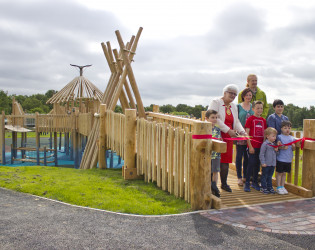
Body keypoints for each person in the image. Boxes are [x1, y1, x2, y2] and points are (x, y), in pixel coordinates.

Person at [209, 84, 246, 192]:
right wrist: (228, 130)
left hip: (228, 136)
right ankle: (211, 185)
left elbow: (236, 121)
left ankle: (224, 184)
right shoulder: (215, 102)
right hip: (217, 134)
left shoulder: (234, 106)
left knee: (225, 161)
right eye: (231, 93)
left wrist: (242, 132)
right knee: (214, 160)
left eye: (235, 94)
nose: (233, 95)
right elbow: (215, 119)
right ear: (224, 93)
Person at [244, 101, 267, 192]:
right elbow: (247, 133)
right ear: (253, 109)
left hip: (260, 147)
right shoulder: (250, 119)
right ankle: (247, 183)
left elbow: (265, 134)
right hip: (252, 146)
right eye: (257, 108)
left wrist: (264, 145)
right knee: (251, 164)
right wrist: (250, 146)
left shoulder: (263, 120)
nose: (259, 110)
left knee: (257, 165)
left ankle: (255, 182)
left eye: (261, 108)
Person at [236, 87, 254, 186]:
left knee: (247, 156)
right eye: (247, 95)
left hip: (250, 134)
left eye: (250, 95)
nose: (248, 97)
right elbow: (236, 119)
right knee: (239, 155)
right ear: (243, 96)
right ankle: (239, 177)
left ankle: (245, 176)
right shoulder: (238, 106)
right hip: (241, 133)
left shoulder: (253, 107)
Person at [276, 120, 296, 195]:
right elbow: (278, 147)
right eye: (285, 128)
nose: (287, 130)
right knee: (280, 173)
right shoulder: (279, 137)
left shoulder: (292, 138)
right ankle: (278, 187)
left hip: (288, 159)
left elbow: (293, 149)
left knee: (284, 173)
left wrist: (293, 147)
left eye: (289, 128)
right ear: (281, 129)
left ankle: (282, 186)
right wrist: (282, 147)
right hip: (281, 159)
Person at [205, 109, 221, 198]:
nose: (214, 119)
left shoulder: (218, 129)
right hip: (207, 155)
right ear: (207, 118)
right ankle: (208, 187)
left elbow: (219, 139)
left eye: (216, 117)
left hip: (216, 155)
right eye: (212, 117)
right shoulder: (204, 129)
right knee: (207, 171)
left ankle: (214, 187)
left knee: (215, 171)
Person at [259, 127, 278, 194]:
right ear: (267, 136)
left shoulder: (273, 144)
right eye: (273, 136)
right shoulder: (265, 144)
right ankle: (264, 187)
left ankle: (270, 187)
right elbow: (261, 154)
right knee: (264, 176)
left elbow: (275, 154)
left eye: (275, 136)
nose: (274, 138)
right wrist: (263, 162)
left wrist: (276, 151)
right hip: (266, 164)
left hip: (272, 164)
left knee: (270, 176)